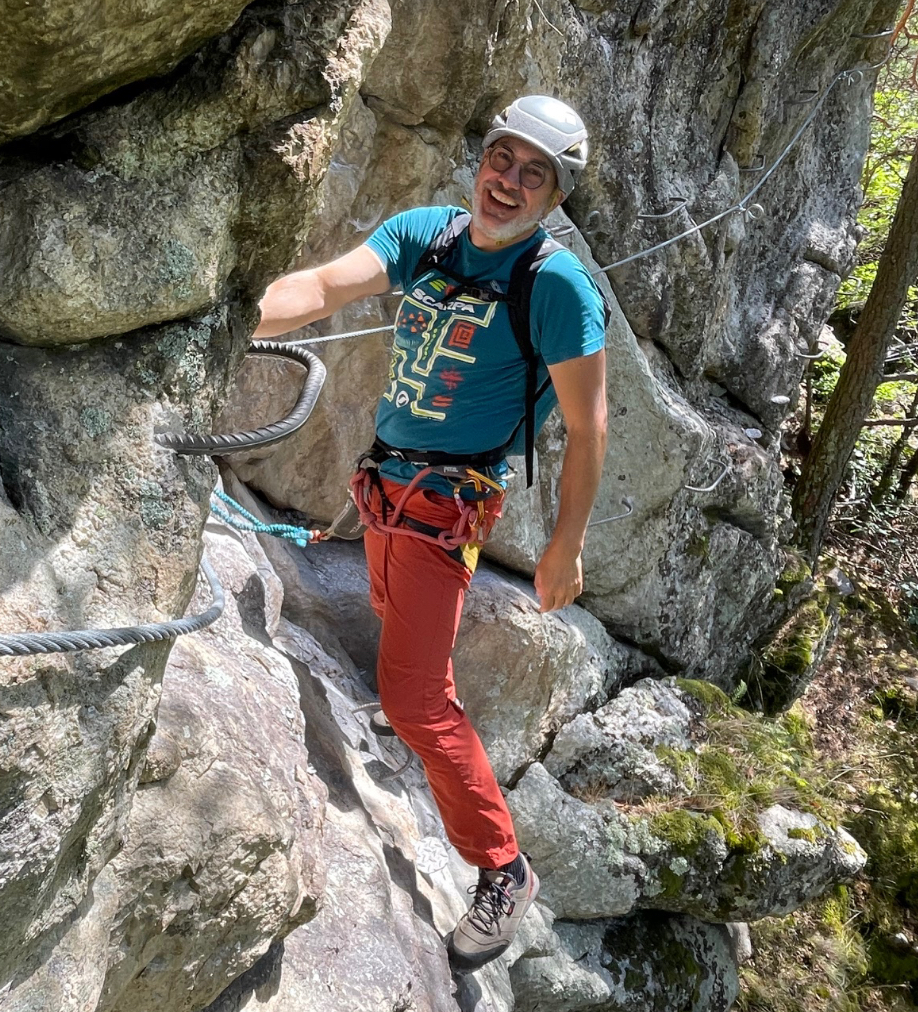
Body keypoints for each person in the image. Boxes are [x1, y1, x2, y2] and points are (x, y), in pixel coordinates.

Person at [252, 95, 608, 970]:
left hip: (447, 504)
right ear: (482, 160)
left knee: (415, 697)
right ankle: (413, 720)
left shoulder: (555, 287)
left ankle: (501, 867)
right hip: (388, 482)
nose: (510, 182)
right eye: (503, 159)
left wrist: (565, 544)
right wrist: (238, 317)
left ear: (555, 195)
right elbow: (328, 285)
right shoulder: (430, 236)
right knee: (390, 627)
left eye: (535, 173)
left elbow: (590, 427)